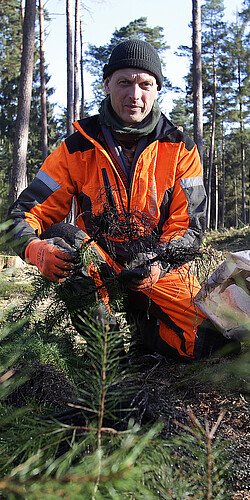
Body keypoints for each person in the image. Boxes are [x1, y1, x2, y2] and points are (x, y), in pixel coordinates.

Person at [8, 39, 235, 361]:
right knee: (64, 236)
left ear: (157, 89)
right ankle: (108, 351)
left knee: (214, 347)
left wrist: (157, 264)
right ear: (107, 85)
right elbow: (22, 215)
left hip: (159, 267)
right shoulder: (76, 149)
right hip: (99, 265)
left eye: (145, 84)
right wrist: (33, 248)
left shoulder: (180, 148)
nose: (134, 94)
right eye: (124, 82)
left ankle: (144, 327)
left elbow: (190, 227)